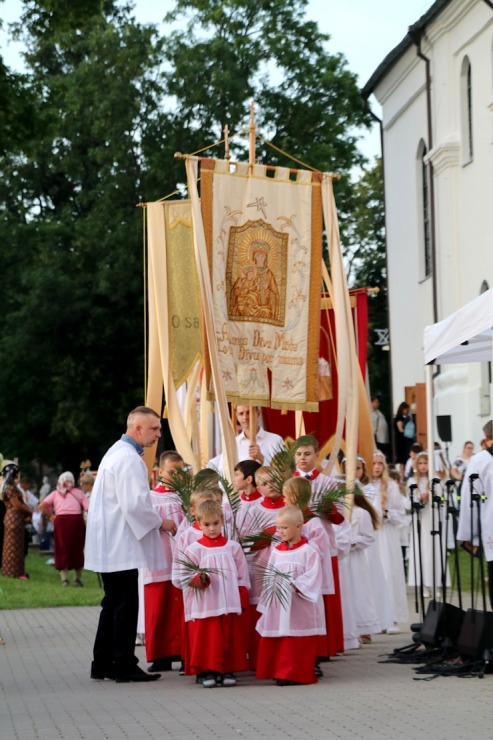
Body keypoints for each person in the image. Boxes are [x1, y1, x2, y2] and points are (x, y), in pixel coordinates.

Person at [85, 406, 172, 683]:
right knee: (124, 604)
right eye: (154, 429)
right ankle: (123, 663)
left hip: (111, 541)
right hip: (121, 544)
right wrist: (161, 522)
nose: (158, 434)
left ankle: (102, 662)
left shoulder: (117, 452)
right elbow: (135, 504)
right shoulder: (130, 459)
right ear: (137, 429)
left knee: (112, 603)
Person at [172, 499, 250, 687]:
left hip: (228, 602)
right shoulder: (194, 549)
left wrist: (241, 594)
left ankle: (227, 670)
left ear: (222, 521)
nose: (212, 528)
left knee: (228, 635)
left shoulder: (232, 547)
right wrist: (198, 579)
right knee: (209, 637)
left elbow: (242, 574)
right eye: (206, 524)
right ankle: (208, 670)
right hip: (206, 602)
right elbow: (183, 575)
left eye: (215, 523)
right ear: (198, 524)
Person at [256, 505, 324, 686]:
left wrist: (296, 584)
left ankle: (297, 674)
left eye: (284, 528)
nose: (280, 532)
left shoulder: (309, 551)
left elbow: (314, 574)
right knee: (281, 637)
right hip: (279, 603)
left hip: (299, 604)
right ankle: (280, 672)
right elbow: (269, 572)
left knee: (295, 640)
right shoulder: (276, 550)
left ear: (299, 526)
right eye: (278, 528)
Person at [143, 450, 186, 673]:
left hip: (182, 561)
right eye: (172, 472)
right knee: (158, 609)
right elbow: (141, 520)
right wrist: (160, 522)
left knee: (182, 609)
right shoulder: (150, 497)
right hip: (158, 559)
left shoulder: (187, 497)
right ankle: (160, 656)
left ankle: (185, 653)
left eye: (181, 472)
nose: (177, 476)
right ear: (160, 472)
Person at [458, 420, 493, 609]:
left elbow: (468, 499)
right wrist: (470, 533)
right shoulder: (480, 461)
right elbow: (470, 497)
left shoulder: (479, 461)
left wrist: (468, 535)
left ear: (486, 438)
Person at [39, 472, 89, 586]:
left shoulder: (55, 493)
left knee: (62, 548)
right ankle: (78, 579)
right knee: (77, 548)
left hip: (61, 521)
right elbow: (88, 507)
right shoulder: (79, 493)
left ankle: (64, 579)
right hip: (76, 521)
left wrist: (51, 516)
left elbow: (42, 505)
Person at [208, 406, 285, 474]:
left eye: (249, 412)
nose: (245, 417)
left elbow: (285, 471)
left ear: (258, 413)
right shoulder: (233, 444)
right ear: (237, 416)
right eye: (241, 414)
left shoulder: (275, 440)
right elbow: (224, 472)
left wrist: (262, 460)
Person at [1, 461, 32, 579]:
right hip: (13, 518)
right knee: (12, 547)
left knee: (17, 547)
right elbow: (16, 505)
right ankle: (12, 572)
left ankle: (18, 572)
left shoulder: (11, 486)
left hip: (16, 518)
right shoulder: (10, 488)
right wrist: (29, 511)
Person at [393, 402, 412, 474]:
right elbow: (401, 430)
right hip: (401, 441)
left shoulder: (399, 418)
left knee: (403, 460)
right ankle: (402, 474)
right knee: (402, 460)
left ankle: (403, 474)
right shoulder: (399, 419)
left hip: (401, 440)